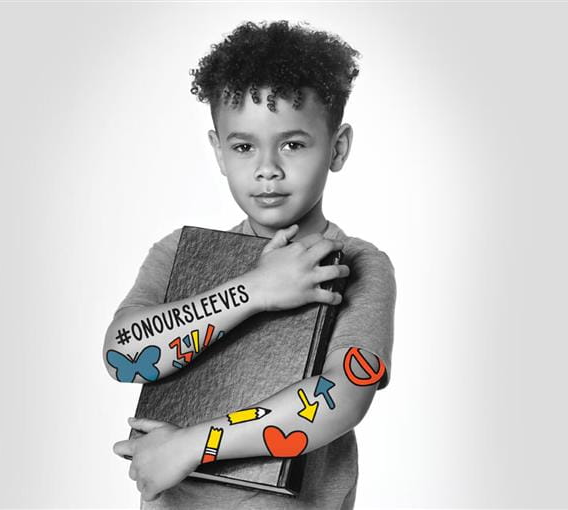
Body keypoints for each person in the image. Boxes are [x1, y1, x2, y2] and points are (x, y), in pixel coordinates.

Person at [103, 20, 396, 510]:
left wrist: (190, 446)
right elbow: (123, 356)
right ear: (219, 151)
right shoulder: (179, 253)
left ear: (337, 147)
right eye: (243, 146)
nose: (267, 168)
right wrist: (255, 290)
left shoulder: (362, 265)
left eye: (293, 144)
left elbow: (342, 399)